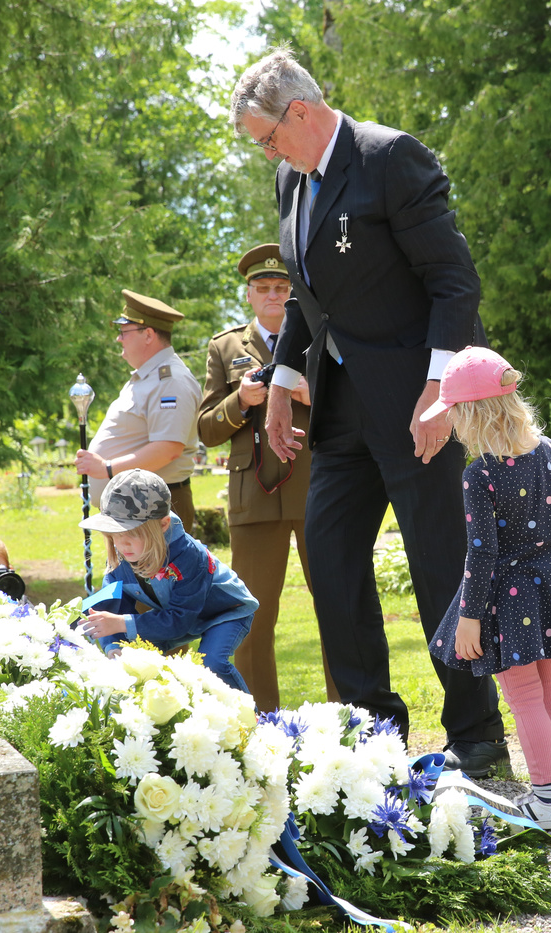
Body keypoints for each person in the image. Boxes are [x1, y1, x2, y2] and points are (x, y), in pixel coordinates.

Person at [229, 49, 507, 775]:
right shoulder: (292, 178)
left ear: (299, 112)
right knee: (331, 558)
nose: (268, 154)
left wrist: (439, 391)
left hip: (419, 405)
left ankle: (476, 732)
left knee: (439, 564)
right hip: (342, 409)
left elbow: (454, 282)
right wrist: (284, 378)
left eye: (268, 138)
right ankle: (372, 731)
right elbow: (308, 295)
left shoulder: (389, 158)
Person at [425, 347, 551, 829]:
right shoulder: (546, 452)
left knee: (523, 696)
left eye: (452, 412)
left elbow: (482, 553)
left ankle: (549, 799)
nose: (450, 422)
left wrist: (470, 616)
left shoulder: (479, 473)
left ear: (469, 414)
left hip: (506, 596)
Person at [198, 243, 339, 710]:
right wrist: (240, 401)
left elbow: (354, 407)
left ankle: (349, 716)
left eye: (282, 287)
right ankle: (259, 719)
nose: (274, 295)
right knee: (252, 615)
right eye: (264, 288)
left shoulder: (320, 336)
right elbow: (206, 429)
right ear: (249, 294)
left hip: (318, 488)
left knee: (338, 606)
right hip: (254, 496)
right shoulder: (225, 347)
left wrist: (310, 394)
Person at [78, 470, 257, 693]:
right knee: (136, 661)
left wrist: (122, 623)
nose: (122, 544)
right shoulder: (122, 558)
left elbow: (179, 620)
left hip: (224, 612)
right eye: (115, 533)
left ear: (163, 524)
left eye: (132, 533)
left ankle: (250, 714)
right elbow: (111, 606)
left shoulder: (189, 556)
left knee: (212, 664)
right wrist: (114, 645)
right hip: (179, 616)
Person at [75, 290, 202, 536]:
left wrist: (107, 468)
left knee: (160, 565)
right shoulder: (148, 377)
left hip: (155, 506)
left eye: (124, 332)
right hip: (137, 506)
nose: (118, 339)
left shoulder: (170, 381)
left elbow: (168, 449)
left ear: (149, 335)